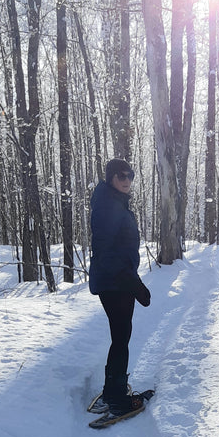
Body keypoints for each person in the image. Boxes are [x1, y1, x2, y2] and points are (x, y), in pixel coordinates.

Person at [89, 158, 151, 415]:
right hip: (114, 281)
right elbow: (106, 252)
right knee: (121, 336)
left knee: (120, 336)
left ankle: (113, 388)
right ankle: (115, 397)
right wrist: (133, 282)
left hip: (116, 279)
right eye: (121, 175)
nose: (127, 180)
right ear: (111, 177)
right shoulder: (108, 205)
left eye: (130, 175)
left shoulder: (113, 201)